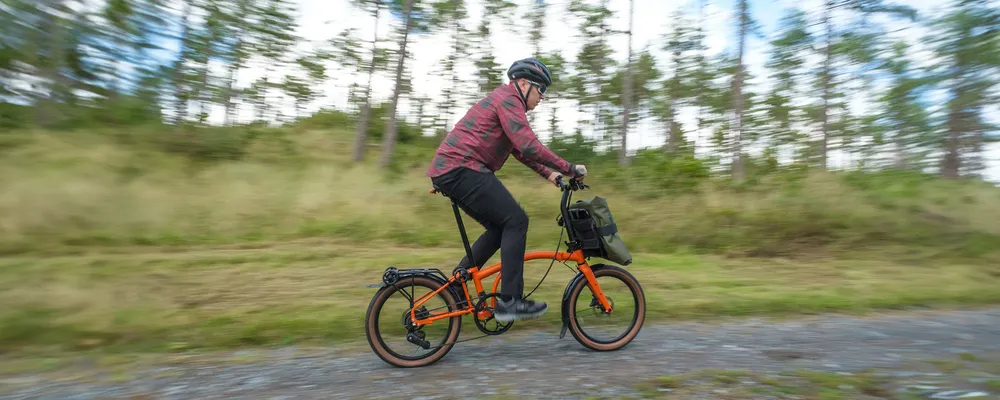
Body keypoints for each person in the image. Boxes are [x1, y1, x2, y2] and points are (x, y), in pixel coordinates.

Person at [426, 57, 587, 322]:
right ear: (523, 84)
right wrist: (570, 168)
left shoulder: (505, 102)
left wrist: (550, 174)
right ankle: (510, 301)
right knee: (516, 221)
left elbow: (519, 151)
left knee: (501, 227)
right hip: (462, 167)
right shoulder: (509, 100)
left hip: (453, 170)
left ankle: (456, 284)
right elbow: (528, 145)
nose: (542, 97)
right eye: (541, 89)